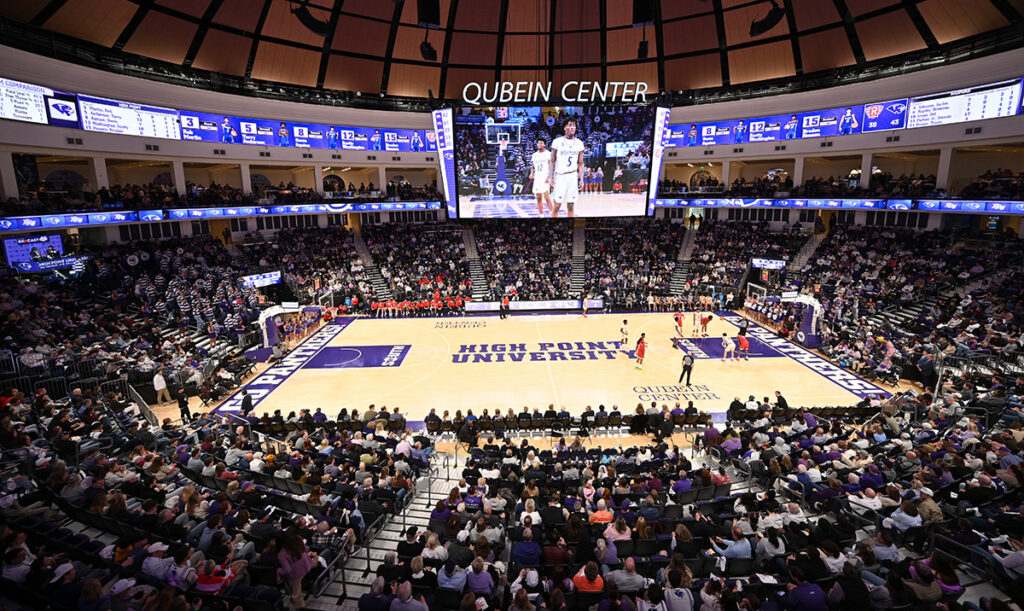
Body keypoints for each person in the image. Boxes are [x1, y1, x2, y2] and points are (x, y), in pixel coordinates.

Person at [549, 118, 585, 218]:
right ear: (565, 128)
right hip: (560, 176)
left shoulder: (579, 143)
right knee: (557, 205)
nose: (572, 127)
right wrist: (551, 178)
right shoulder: (557, 142)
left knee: (571, 205)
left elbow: (580, 163)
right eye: (570, 125)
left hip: (572, 176)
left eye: (574, 125)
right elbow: (552, 161)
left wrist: (581, 179)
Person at [530, 139, 552, 216]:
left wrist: (549, 177)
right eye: (538, 143)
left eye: (541, 143)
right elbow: (533, 166)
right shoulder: (534, 155)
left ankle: (552, 214)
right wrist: (532, 173)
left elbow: (551, 166)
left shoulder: (548, 154)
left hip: (545, 177)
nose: (540, 144)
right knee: (538, 197)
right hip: (537, 178)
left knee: (546, 197)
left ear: (545, 145)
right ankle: (541, 215)